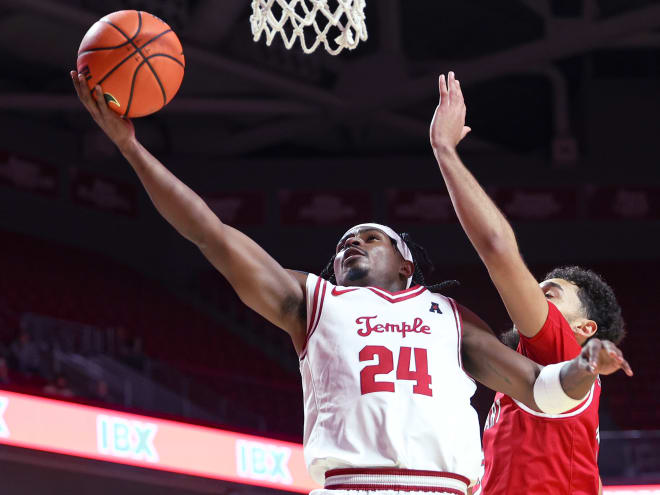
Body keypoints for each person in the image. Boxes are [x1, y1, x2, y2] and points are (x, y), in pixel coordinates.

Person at [71, 71, 632, 495]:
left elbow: (538, 388)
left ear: (406, 264)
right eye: (343, 242)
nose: (351, 243)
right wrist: (132, 150)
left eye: (370, 237)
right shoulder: (312, 301)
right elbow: (210, 234)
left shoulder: (448, 316)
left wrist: (582, 367)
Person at [430, 71, 626, 494]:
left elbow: (498, 247)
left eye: (550, 294)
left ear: (583, 329)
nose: (533, 297)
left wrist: (444, 149)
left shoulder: (560, 348)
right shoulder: (523, 372)